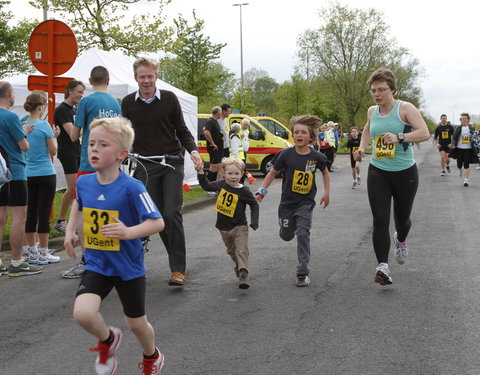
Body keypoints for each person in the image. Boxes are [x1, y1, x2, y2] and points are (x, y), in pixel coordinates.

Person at [65, 117, 165, 375]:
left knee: (136, 324)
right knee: (83, 314)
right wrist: (69, 231)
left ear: (122, 154)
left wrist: (128, 232)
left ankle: (152, 357)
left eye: (103, 145)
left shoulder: (132, 187)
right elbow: (79, 203)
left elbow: (157, 222)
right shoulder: (85, 182)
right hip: (97, 263)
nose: (94, 149)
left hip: (127, 267)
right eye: (91, 144)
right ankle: (108, 340)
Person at [121, 57, 203, 287]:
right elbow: (125, 133)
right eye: (142, 77)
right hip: (145, 165)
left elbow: (182, 130)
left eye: (150, 76)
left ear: (156, 77)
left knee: (170, 212)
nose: (146, 81)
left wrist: (194, 152)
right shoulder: (128, 102)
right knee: (153, 215)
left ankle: (178, 269)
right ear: (136, 78)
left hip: (170, 163)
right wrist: (122, 150)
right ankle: (158, 262)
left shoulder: (168, 99)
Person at [354, 68, 429, 286]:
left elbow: (424, 132)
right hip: (378, 171)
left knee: (402, 220)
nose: (377, 94)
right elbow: (367, 130)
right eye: (373, 91)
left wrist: (400, 136)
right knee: (380, 219)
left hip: (405, 172)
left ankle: (401, 239)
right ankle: (382, 267)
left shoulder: (405, 108)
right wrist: (361, 148)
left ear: (392, 89)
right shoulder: (371, 111)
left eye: (381, 90)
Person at [256, 115, 330, 287]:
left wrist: (326, 193)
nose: (299, 135)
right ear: (292, 135)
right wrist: (261, 191)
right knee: (287, 236)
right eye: (296, 132)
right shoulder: (285, 155)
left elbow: (325, 172)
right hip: (287, 204)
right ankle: (286, 228)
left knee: (303, 234)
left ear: (310, 137)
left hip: (306, 203)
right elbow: (272, 172)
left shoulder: (316, 157)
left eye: (303, 132)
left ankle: (302, 273)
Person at [62, 66, 122, 279]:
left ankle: (87, 261)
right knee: (109, 212)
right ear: (107, 80)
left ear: (89, 80)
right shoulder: (116, 103)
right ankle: (110, 259)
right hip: (113, 165)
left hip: (89, 165)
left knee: (82, 213)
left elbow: (73, 136)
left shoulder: (86, 102)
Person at [196, 156, 259, 289]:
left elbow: (254, 204)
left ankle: (243, 274)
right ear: (223, 174)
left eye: (237, 173)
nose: (233, 177)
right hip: (223, 227)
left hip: (240, 226)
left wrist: (254, 221)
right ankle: (239, 267)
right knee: (232, 251)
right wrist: (201, 172)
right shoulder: (221, 184)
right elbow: (206, 186)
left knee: (242, 250)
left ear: (242, 174)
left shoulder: (244, 191)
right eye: (230, 173)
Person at [0, 82, 41, 276]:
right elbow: (23, 146)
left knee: (0, 218)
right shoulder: (10, 117)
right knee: (19, 217)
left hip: (0, 174)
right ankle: (16, 262)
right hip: (14, 170)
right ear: (9, 93)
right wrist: (23, 134)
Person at [23, 91, 61, 264]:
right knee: (43, 212)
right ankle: (44, 252)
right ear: (41, 106)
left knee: (30, 212)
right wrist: (55, 137)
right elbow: (53, 151)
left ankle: (32, 250)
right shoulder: (44, 125)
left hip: (27, 173)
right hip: (45, 172)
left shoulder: (22, 123)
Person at [53, 79, 85, 232]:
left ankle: (74, 220)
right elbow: (72, 133)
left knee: (77, 188)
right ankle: (61, 221)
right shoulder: (62, 110)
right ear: (70, 91)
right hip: (67, 152)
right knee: (73, 188)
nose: (81, 95)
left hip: (77, 151)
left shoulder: (74, 110)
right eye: (79, 92)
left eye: (82, 92)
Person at [450, 113, 478, 187]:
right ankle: (460, 169)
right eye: (462, 118)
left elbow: (476, 137)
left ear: (468, 120)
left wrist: (472, 136)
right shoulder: (458, 128)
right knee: (459, 164)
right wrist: (453, 144)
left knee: (466, 164)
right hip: (459, 148)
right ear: (460, 120)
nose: (464, 120)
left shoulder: (472, 128)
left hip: (468, 149)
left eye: (465, 118)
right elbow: (454, 138)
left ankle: (466, 180)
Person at [203, 106, 223, 182]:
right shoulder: (210, 121)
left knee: (217, 167)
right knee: (213, 167)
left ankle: (213, 185)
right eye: (221, 113)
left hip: (218, 149)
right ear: (218, 113)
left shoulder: (215, 121)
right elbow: (206, 132)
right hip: (213, 148)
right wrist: (213, 143)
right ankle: (209, 185)